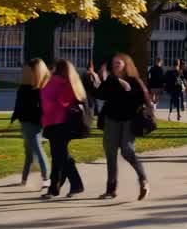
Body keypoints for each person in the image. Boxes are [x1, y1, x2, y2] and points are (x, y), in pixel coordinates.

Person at [87, 54, 151, 201]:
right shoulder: (110, 80)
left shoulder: (133, 80)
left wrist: (127, 88)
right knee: (110, 154)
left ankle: (143, 181)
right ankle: (111, 190)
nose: (115, 66)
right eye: (113, 63)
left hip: (129, 120)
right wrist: (94, 77)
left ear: (126, 65)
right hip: (112, 120)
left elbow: (142, 97)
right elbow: (99, 94)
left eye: (118, 63)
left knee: (127, 151)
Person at [40, 58, 87, 198]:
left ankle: (72, 185)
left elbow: (56, 102)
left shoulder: (58, 83)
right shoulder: (70, 83)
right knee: (59, 156)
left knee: (60, 156)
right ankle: (58, 186)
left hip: (57, 123)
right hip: (60, 123)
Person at [10, 58, 51, 190]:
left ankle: (47, 178)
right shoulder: (24, 88)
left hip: (35, 123)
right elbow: (19, 105)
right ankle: (24, 178)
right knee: (28, 151)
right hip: (25, 122)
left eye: (28, 70)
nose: (25, 72)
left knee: (37, 148)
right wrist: (14, 118)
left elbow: (45, 108)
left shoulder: (42, 88)